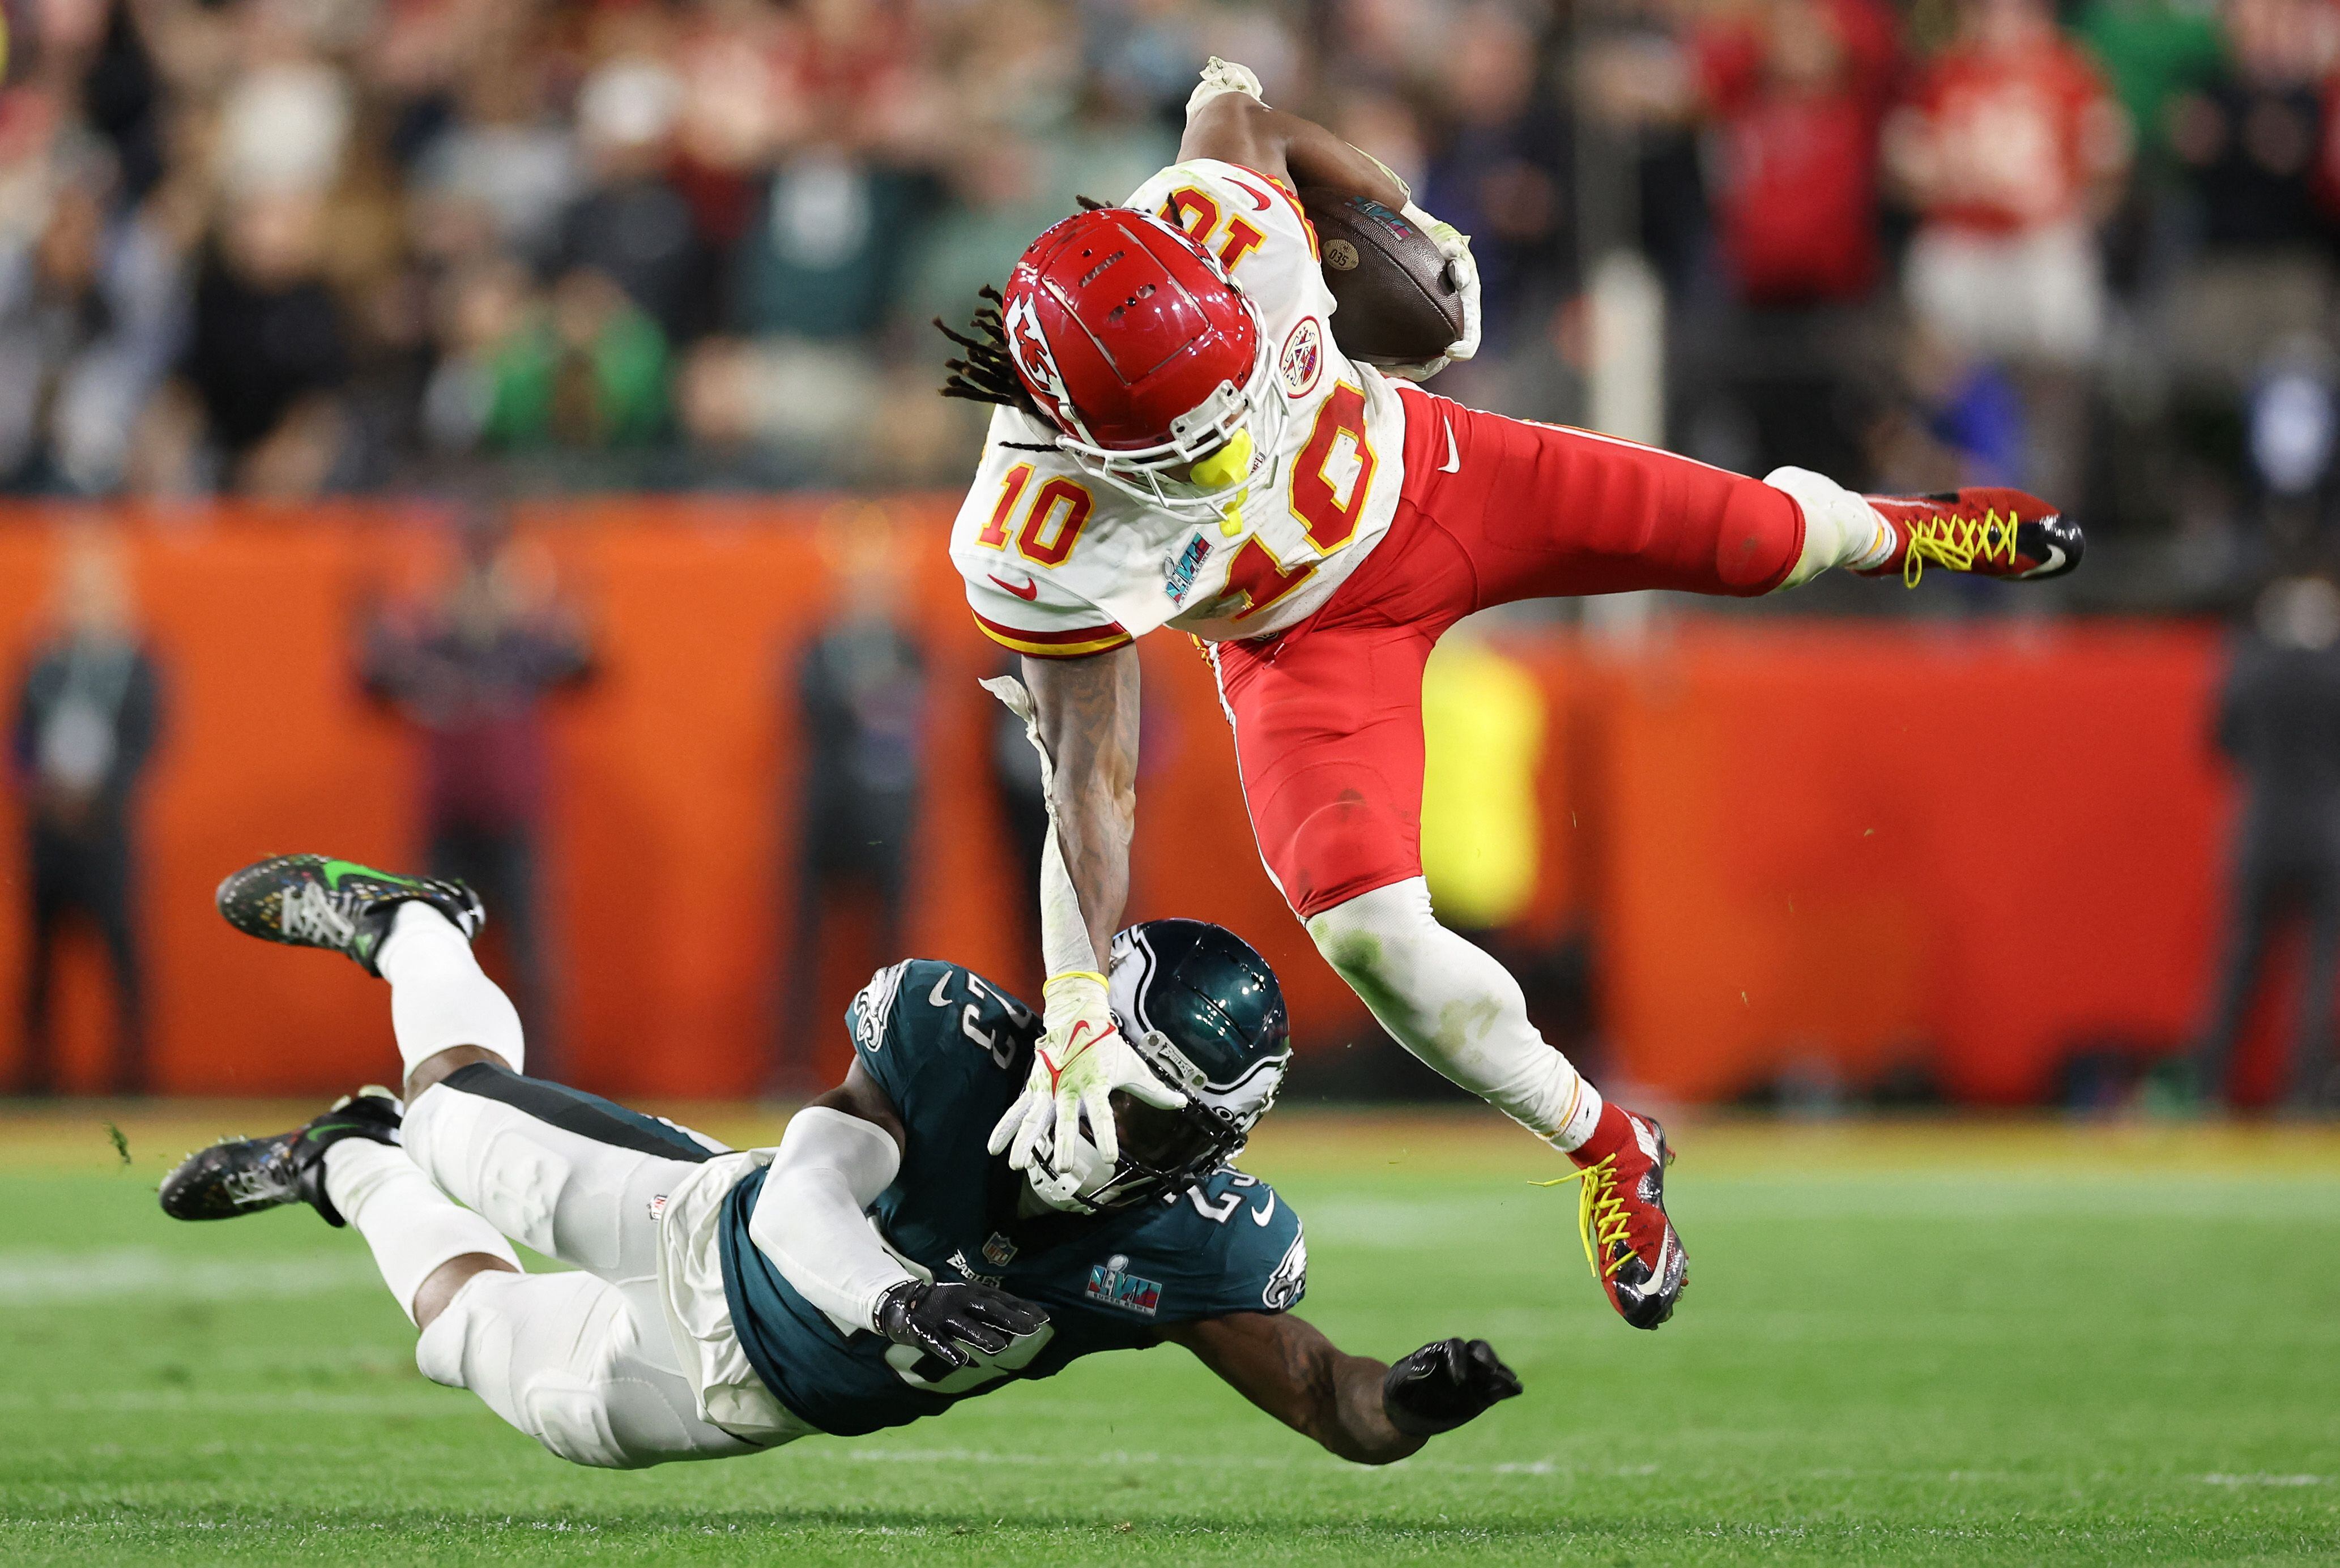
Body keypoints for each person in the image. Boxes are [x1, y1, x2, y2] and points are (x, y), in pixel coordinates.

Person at [937, 59, 2085, 1332]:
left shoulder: (1229, 221)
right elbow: (1089, 775)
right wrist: (1077, 1002)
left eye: (1226, 413)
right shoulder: (1033, 527)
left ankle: (1908, 530)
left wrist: (1400, 215)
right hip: (1299, 639)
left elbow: (1239, 114)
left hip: (1435, 473)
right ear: (1077, 431)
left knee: (1757, 539)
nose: (1228, 451)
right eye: (1186, 447)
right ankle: (1606, 1145)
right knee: (1368, 932)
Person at [156, 854, 1521, 1469]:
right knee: (459, 1108)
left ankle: (345, 1163)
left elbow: (1329, 1403)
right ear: (1076, 1030)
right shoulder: (957, 1044)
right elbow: (812, 1172)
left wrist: (1407, 1396)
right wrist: (891, 1296)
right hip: (702, 1220)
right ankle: (415, 930)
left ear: (1211, 1144)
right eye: (1113, 1083)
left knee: (463, 1333)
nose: (1117, 1130)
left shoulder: (1191, 1241)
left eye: (1159, 1123)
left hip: (738, 1397)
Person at [360, 505, 593, 1066]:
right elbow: (373, 684)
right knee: (432, 962)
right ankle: (434, 1075)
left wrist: (574, 608)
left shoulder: (526, 645)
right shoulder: (430, 643)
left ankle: (541, 1078)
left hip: (512, 823)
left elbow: (587, 668)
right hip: (447, 825)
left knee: (529, 962)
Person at [10, 532, 165, 1095]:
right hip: (50, 830)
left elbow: (146, 742)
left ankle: (133, 1073)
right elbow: (19, 737)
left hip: (107, 832)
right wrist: (39, 792)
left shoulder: (137, 663)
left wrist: (101, 797)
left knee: (121, 952)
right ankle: (36, 1074)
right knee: (41, 960)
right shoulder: (46, 662)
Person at [2192, 576, 2340, 1113]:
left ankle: (2210, 1086)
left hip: (2260, 829)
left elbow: (2219, 741)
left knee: (2239, 964)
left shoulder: (2250, 668)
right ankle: (2303, 1093)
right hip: (2327, 831)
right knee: (2318, 974)